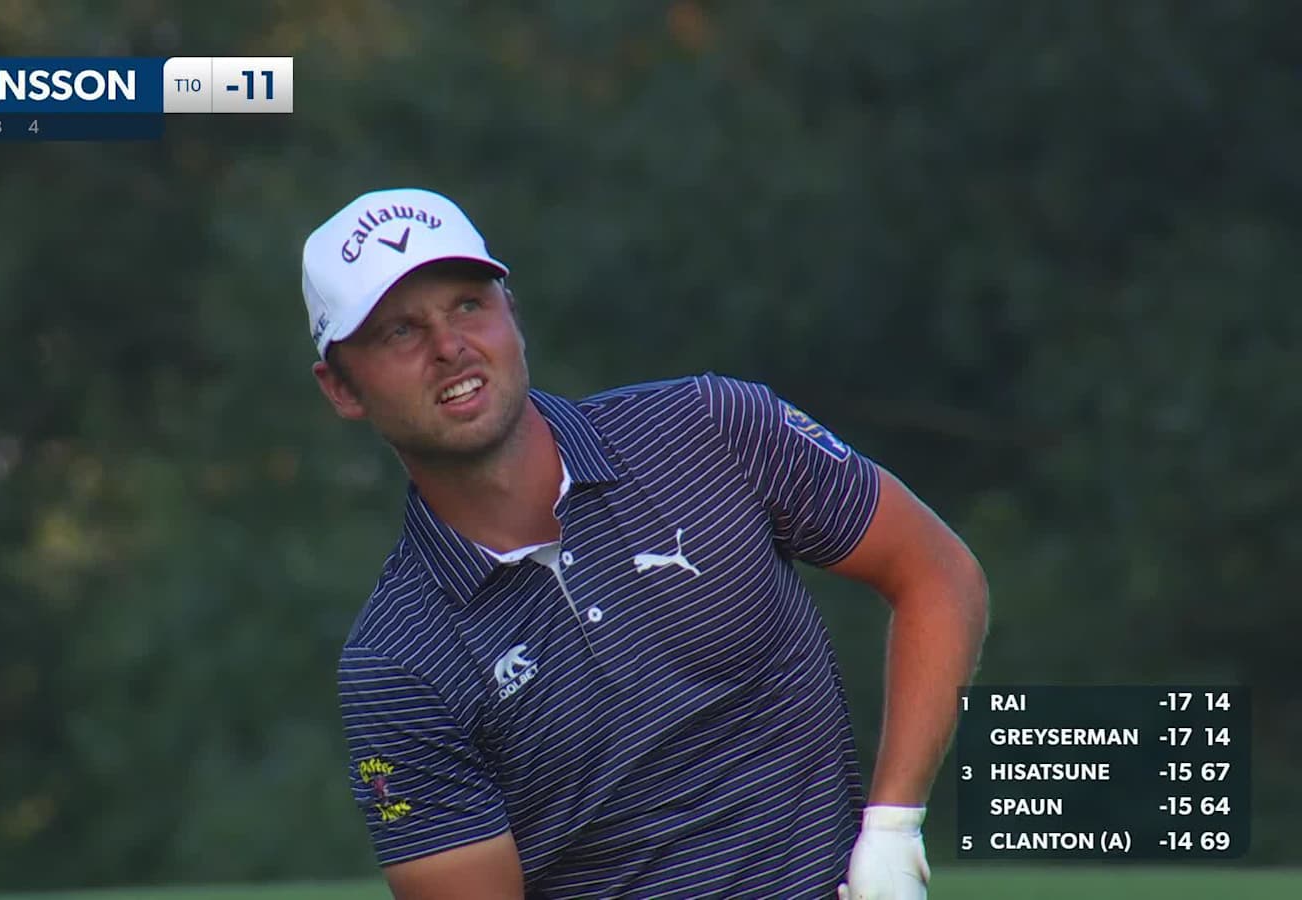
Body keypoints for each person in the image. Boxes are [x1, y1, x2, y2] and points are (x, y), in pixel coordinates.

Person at [303, 187, 989, 899]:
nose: (450, 348)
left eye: (469, 306)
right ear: (342, 388)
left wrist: (892, 834)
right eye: (400, 333)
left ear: (513, 313)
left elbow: (937, 573)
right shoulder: (397, 663)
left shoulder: (710, 429)